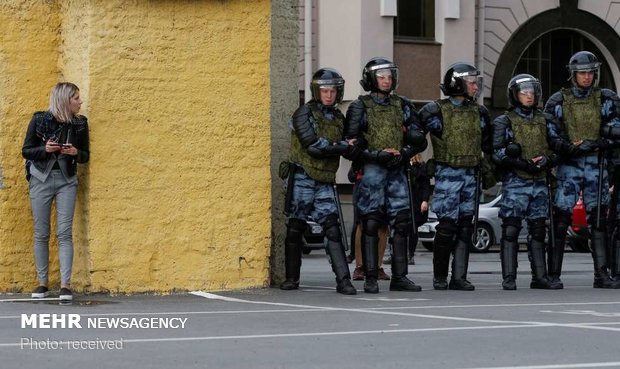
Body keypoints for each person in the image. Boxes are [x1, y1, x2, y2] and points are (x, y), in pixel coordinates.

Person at [344, 57, 424, 293]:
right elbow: (350, 143)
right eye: (381, 77)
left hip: (398, 171)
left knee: (401, 224)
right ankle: (370, 277)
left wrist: (404, 152)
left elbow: (418, 136)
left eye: (389, 76)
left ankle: (400, 276)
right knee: (370, 222)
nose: (387, 81)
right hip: (372, 171)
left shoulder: (403, 104)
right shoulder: (359, 106)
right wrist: (375, 154)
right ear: (371, 79)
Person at [544, 51, 620, 289]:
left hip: (596, 165)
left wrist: (597, 143)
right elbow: (550, 132)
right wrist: (568, 148)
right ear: (573, 74)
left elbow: (616, 129)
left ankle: (601, 274)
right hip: (569, 165)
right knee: (560, 219)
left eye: (590, 73)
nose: (587, 77)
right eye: (582, 73)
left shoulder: (606, 98)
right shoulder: (558, 100)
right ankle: (553, 274)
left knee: (598, 219)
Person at [415, 62, 493, 291]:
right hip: (448, 173)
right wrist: (417, 162)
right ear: (457, 83)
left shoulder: (480, 112)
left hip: (471, 173)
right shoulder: (435, 110)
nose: (475, 87)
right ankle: (440, 276)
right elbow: (414, 134)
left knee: (466, 226)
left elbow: (487, 144)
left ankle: (459, 276)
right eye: (471, 82)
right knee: (447, 227)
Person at [280, 68, 357, 295]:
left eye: (333, 90)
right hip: (303, 176)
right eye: (324, 90)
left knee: (332, 229)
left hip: (325, 181)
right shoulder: (303, 113)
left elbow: (350, 146)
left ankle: (344, 280)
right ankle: (291, 278)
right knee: (296, 228)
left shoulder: (338, 118)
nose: (329, 95)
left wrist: (353, 146)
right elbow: (312, 145)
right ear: (317, 91)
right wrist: (344, 146)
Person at [492, 74, 560, 290]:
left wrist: (547, 160)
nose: (529, 96)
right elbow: (495, 152)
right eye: (524, 92)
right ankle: (509, 277)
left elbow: (558, 146)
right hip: (516, 181)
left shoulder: (545, 119)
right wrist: (520, 163)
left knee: (539, 229)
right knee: (511, 229)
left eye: (532, 92)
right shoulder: (504, 121)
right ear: (515, 95)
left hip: (540, 180)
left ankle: (539, 277)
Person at [22, 82, 90, 301]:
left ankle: (65, 286)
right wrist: (45, 149)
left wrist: (75, 151)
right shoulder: (39, 119)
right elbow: (26, 151)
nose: (80, 102)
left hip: (66, 180)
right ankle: (42, 284)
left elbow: (86, 155)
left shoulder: (80, 124)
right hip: (40, 179)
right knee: (41, 233)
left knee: (64, 233)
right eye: (76, 98)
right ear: (64, 100)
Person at [348, 163, 391, 281]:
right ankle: (360, 266)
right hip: (364, 192)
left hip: (384, 190)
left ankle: (377, 266)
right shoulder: (364, 153)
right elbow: (351, 176)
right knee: (362, 226)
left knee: (383, 227)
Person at [407, 153, 431, 265]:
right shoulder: (404, 166)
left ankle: (410, 254)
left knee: (413, 228)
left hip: (416, 202)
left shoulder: (421, 168)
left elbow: (426, 185)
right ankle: (397, 254)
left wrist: (425, 200)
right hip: (406, 200)